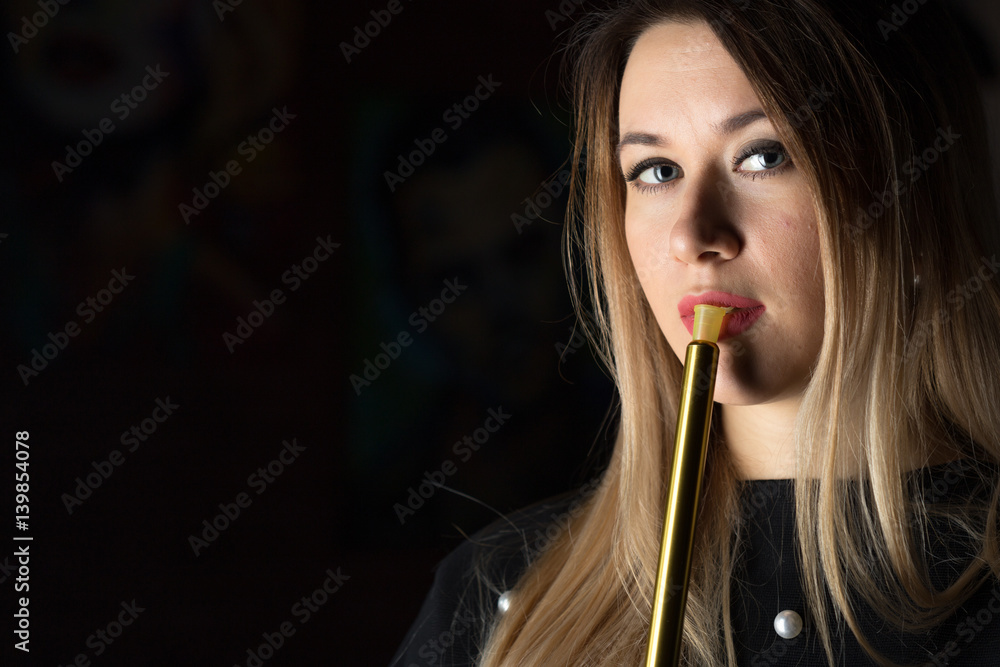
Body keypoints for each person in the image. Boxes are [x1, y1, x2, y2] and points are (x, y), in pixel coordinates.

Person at [391, 0, 1000, 664]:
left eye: (762, 156)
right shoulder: (495, 596)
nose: (691, 234)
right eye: (657, 171)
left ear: (911, 197)